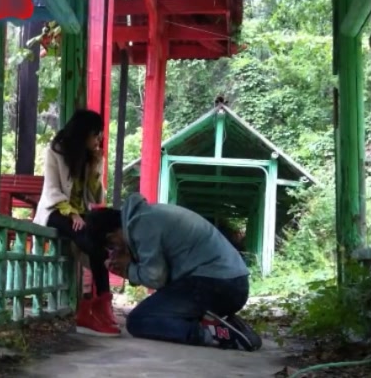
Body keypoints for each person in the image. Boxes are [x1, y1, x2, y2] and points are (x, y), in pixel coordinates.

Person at [84, 193, 263, 351]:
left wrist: (128, 269)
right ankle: (225, 325)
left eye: (112, 247)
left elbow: (156, 278)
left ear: (111, 237)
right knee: (156, 311)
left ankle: (215, 333)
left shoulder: (141, 225)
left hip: (218, 284)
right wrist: (131, 264)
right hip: (227, 283)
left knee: (140, 320)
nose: (115, 251)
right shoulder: (145, 216)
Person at [33, 109, 120, 337]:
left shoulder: (89, 157)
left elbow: (96, 198)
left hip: (81, 213)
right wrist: (72, 214)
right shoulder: (54, 151)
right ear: (83, 133)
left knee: (102, 235)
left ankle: (100, 308)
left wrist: (96, 168)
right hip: (55, 211)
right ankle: (92, 310)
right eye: (95, 134)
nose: (98, 139)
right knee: (90, 242)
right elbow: (51, 190)